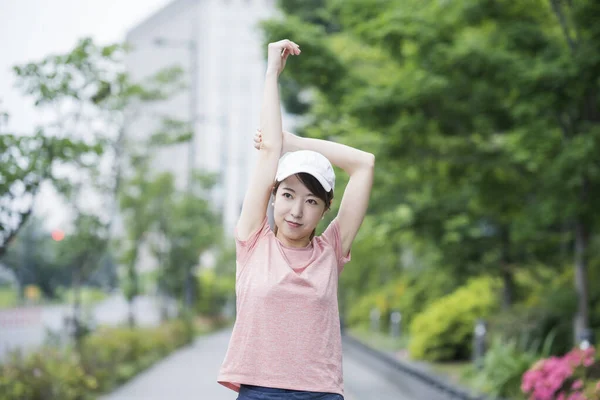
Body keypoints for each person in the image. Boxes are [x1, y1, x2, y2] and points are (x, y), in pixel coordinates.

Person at [217, 39, 375, 400]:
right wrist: (272, 71)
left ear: (325, 208)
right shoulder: (254, 241)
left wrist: (295, 141)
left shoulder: (331, 250)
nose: (296, 211)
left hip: (320, 393)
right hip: (260, 392)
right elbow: (268, 149)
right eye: (287, 195)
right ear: (273, 196)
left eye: (311, 200)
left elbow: (364, 164)